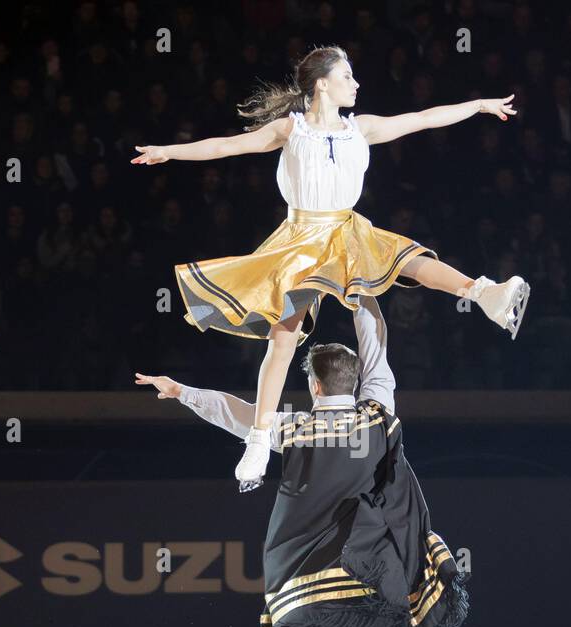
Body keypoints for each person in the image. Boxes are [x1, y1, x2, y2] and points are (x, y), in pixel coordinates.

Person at [135, 293, 469, 627]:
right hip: (377, 577)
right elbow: (377, 348)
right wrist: (364, 290)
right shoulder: (377, 417)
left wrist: (179, 392)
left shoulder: (287, 429)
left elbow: (236, 413)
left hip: (311, 587)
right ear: (354, 382)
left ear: (313, 386)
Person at [132, 44, 530, 492]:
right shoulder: (291, 129)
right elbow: (228, 145)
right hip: (301, 239)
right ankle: (260, 439)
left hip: (346, 231)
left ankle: (486, 295)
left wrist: (478, 105)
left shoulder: (361, 128)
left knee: (410, 260)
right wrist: (169, 151)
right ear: (322, 83)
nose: (356, 84)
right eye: (347, 76)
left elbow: (422, 118)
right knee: (283, 338)